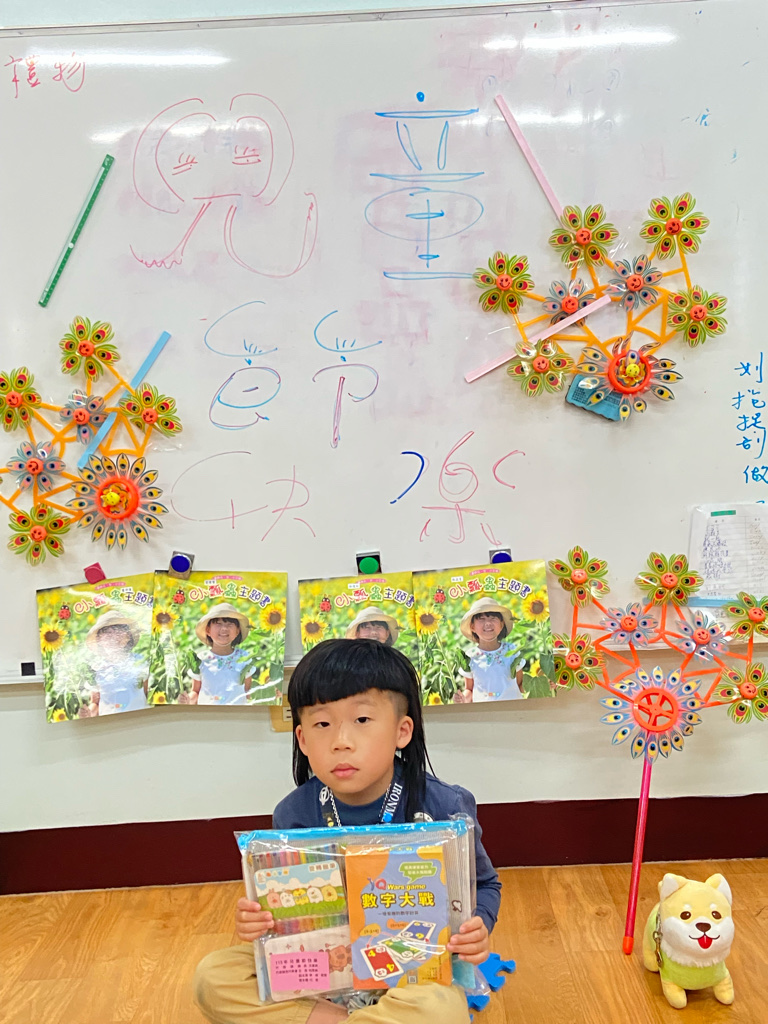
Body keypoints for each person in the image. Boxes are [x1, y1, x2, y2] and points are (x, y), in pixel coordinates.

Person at [194, 638, 501, 1024]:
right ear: (302, 739)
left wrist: (478, 926)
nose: (341, 742)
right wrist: (259, 921)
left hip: (413, 967)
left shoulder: (443, 805)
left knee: (438, 1009)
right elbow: (290, 913)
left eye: (362, 720)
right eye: (322, 724)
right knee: (214, 977)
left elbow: (484, 884)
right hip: (325, 969)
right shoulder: (293, 814)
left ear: (402, 731)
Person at [454, 597, 524, 703]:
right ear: (472, 627)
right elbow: (469, 690)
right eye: (481, 619)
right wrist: (462, 698)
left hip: (512, 708)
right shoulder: (469, 657)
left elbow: (520, 684)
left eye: (493, 618)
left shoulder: (512, 651)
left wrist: (542, 686)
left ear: (501, 624)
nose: (488, 623)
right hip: (484, 710)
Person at [83, 609, 148, 716]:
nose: (113, 636)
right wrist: (87, 713)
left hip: (137, 719)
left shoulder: (140, 662)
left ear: (128, 636)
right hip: (109, 722)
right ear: (99, 640)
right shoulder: (96, 669)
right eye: (107, 632)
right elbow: (95, 703)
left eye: (118, 630)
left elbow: (147, 693)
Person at [188, 603, 254, 705]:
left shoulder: (244, 658)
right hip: (208, 712)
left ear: (237, 631)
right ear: (208, 630)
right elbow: (195, 692)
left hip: (236, 712)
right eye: (218, 624)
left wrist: (269, 693)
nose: (224, 628)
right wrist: (187, 699)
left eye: (229, 624)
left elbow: (248, 692)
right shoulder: (200, 660)